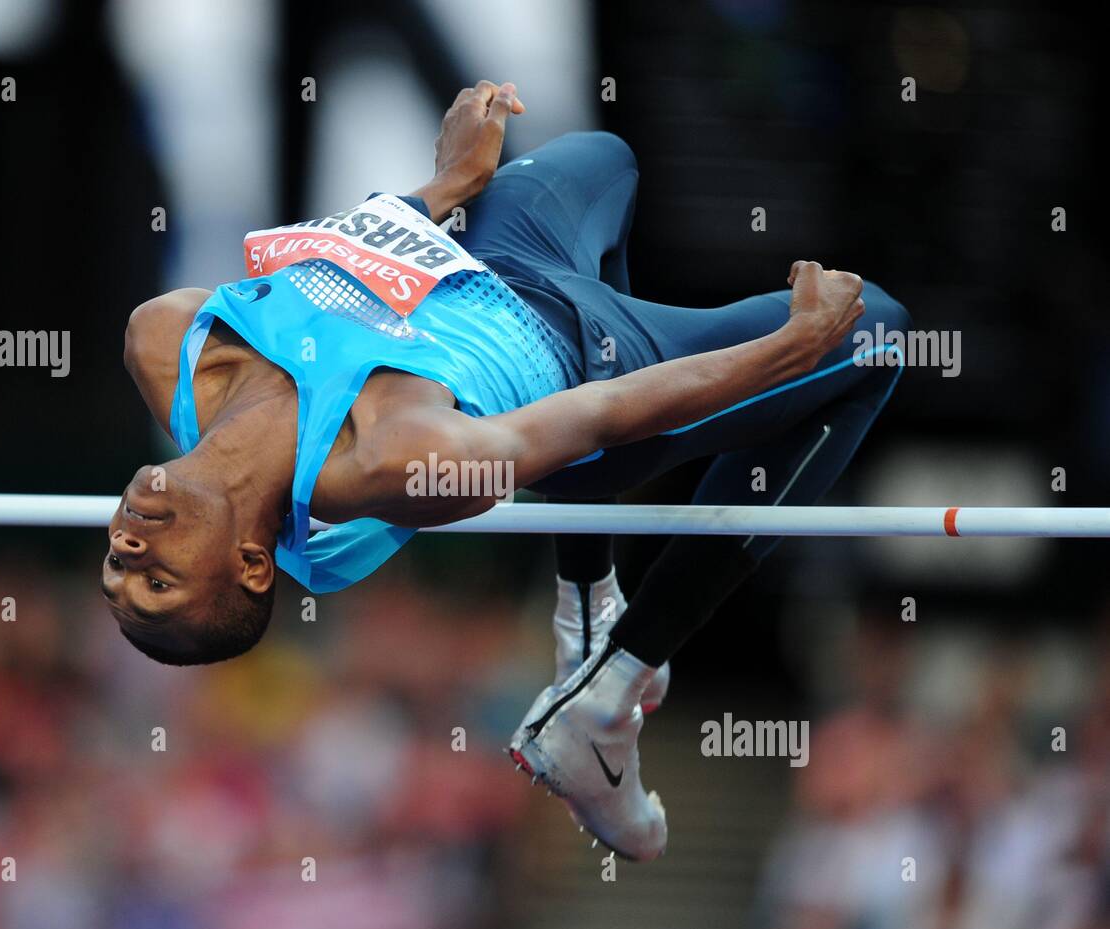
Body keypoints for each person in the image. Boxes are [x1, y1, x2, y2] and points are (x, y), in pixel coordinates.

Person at [104, 80, 909, 860]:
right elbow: (604, 416)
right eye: (158, 584)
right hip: (590, 357)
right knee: (879, 330)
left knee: (607, 158)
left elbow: (337, 274)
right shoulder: (396, 462)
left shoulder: (166, 342)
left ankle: (587, 609)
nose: (126, 560)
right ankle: (612, 683)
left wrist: (450, 181)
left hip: (491, 259)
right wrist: (790, 350)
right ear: (250, 564)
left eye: (117, 576)